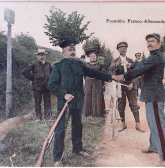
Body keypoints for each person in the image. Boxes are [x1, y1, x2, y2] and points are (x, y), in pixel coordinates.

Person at [48, 39, 116, 167]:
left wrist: (110, 76)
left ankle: (78, 149)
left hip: (78, 101)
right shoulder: (58, 66)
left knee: (77, 126)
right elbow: (52, 85)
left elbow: (93, 72)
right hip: (65, 103)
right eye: (69, 50)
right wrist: (64, 94)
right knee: (61, 129)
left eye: (73, 49)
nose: (72, 52)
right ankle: (57, 158)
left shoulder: (80, 64)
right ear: (64, 52)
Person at [117, 33, 165, 167]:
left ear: (158, 43)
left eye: (152, 41)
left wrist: (123, 76)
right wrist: (132, 65)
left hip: (154, 96)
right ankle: (153, 146)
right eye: (148, 41)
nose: (149, 44)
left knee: (158, 125)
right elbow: (142, 64)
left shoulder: (157, 56)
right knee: (152, 123)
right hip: (150, 95)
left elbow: (142, 68)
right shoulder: (153, 56)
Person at [109, 42, 144, 133]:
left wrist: (133, 83)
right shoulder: (115, 60)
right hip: (120, 86)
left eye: (124, 48)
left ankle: (138, 124)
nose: (123, 49)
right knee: (121, 105)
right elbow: (111, 69)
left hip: (131, 86)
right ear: (118, 50)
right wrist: (116, 65)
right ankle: (123, 124)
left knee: (134, 105)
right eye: (121, 48)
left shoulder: (131, 60)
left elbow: (135, 73)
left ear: (127, 49)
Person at [21, 49, 52, 122]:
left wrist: (51, 81)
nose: (41, 56)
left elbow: (52, 73)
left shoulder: (48, 64)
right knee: (37, 102)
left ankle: (47, 117)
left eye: (43, 55)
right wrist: (32, 79)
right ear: (37, 56)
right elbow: (24, 72)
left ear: (45, 55)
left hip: (47, 86)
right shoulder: (34, 64)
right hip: (37, 86)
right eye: (40, 55)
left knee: (47, 102)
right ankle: (38, 117)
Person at [83, 50, 106, 117]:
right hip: (88, 83)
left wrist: (103, 84)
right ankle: (88, 113)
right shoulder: (86, 65)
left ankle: (97, 113)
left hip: (97, 83)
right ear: (89, 57)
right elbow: (84, 74)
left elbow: (102, 75)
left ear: (96, 57)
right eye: (91, 56)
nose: (93, 57)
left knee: (97, 97)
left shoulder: (99, 65)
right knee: (88, 96)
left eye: (94, 56)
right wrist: (87, 80)